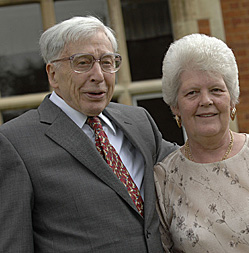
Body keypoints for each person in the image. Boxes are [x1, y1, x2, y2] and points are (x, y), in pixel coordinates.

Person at [0, 16, 178, 252]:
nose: (98, 75)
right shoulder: (15, 142)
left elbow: (187, 164)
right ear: (53, 74)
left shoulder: (139, 121)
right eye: (83, 63)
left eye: (106, 62)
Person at [153, 33, 249, 252]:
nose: (206, 101)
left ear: (232, 99)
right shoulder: (163, 180)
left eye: (216, 90)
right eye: (192, 93)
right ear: (175, 106)